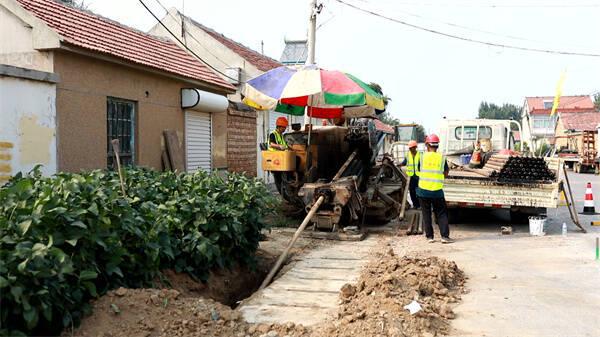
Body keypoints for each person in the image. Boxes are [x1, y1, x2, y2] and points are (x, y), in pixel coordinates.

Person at [417, 134, 454, 244]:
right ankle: (444, 237)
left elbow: (420, 170)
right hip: (437, 191)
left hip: (423, 191)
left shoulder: (422, 157)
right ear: (437, 146)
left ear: (427, 145)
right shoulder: (442, 157)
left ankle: (430, 237)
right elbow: (446, 173)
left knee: (426, 214)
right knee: (441, 214)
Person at [398, 140, 420, 209]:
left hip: (419, 177)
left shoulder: (420, 155)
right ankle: (415, 205)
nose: (411, 149)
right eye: (410, 148)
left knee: (419, 192)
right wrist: (399, 165)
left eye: (412, 148)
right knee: (412, 191)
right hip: (411, 177)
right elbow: (404, 162)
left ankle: (419, 205)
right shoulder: (408, 155)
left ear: (415, 147)